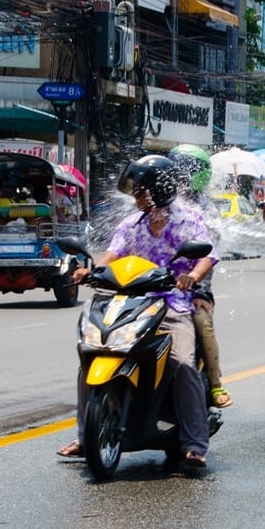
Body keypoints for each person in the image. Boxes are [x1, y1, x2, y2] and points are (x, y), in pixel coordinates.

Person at [57, 155, 218, 467]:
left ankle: (195, 442)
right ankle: (84, 435)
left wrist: (193, 277)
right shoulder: (132, 223)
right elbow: (113, 254)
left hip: (171, 303)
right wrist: (90, 272)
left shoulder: (189, 220)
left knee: (183, 363)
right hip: (126, 302)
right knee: (90, 354)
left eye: (142, 191)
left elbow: (206, 256)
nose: (136, 197)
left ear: (159, 189)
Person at [168, 144, 232, 408]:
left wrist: (198, 288)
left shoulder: (206, 211)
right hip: (156, 286)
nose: (177, 179)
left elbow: (209, 254)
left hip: (193, 289)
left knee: (202, 322)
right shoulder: (164, 202)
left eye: (182, 173)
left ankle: (215, 383)